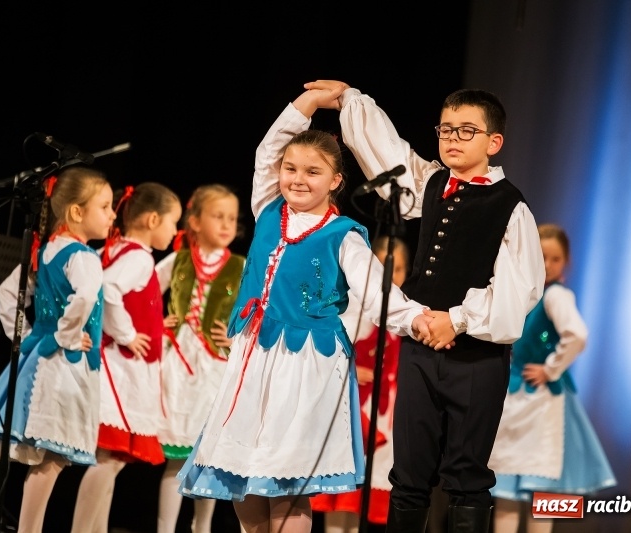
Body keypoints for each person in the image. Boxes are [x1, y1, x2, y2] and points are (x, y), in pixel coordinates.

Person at [176, 85, 437, 533]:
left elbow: (376, 293)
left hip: (306, 364)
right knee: (244, 475)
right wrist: (308, 105)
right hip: (254, 357)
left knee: (286, 480)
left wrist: (414, 318)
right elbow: (267, 150)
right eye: (290, 168)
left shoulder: (344, 235)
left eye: (313, 172)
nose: (297, 178)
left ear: (336, 181)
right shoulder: (267, 207)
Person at [305, 79, 546, 532]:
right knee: (409, 474)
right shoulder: (430, 183)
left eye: (466, 131)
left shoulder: (510, 206)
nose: (453, 138)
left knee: (466, 476)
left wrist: (456, 320)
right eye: (446, 129)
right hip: (420, 350)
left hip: (477, 357)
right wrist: (351, 100)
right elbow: (387, 154)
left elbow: (521, 288)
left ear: (494, 141)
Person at [0, 165, 115, 533]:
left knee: (49, 458)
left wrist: (29, 336)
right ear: (76, 212)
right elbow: (84, 297)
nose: (113, 215)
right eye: (106, 206)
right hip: (66, 366)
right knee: (52, 456)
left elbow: (7, 295)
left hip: (42, 360)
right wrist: (66, 335)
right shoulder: (83, 257)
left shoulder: (46, 250)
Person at [488, 223, 616, 533]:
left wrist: (551, 368)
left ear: (566, 263)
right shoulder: (526, 296)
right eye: (541, 257)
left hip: (542, 404)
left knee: (540, 493)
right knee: (506, 492)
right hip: (516, 399)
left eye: (555, 259)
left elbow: (577, 335)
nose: (547, 265)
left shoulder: (556, 296)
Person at [70, 182, 182, 532]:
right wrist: (129, 334)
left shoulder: (120, 248)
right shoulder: (137, 256)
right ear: (151, 220)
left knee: (112, 459)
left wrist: (150, 323)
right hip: (119, 369)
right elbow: (107, 289)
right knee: (109, 459)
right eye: (172, 222)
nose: (175, 232)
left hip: (122, 366)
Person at [155, 184, 245, 533]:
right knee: (177, 458)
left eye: (232, 218)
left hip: (214, 369)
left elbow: (255, 312)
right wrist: (155, 322)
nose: (226, 224)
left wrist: (234, 337)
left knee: (207, 459)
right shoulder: (177, 259)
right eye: (217, 216)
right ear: (194, 221)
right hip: (178, 364)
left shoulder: (240, 266)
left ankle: (201, 527)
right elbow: (143, 291)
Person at [310, 235, 411, 532]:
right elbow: (330, 345)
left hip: (384, 413)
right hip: (353, 406)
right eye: (381, 266)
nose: (392, 274)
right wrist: (350, 366)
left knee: (363, 495)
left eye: (400, 268)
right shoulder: (354, 304)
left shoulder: (404, 307)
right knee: (342, 485)